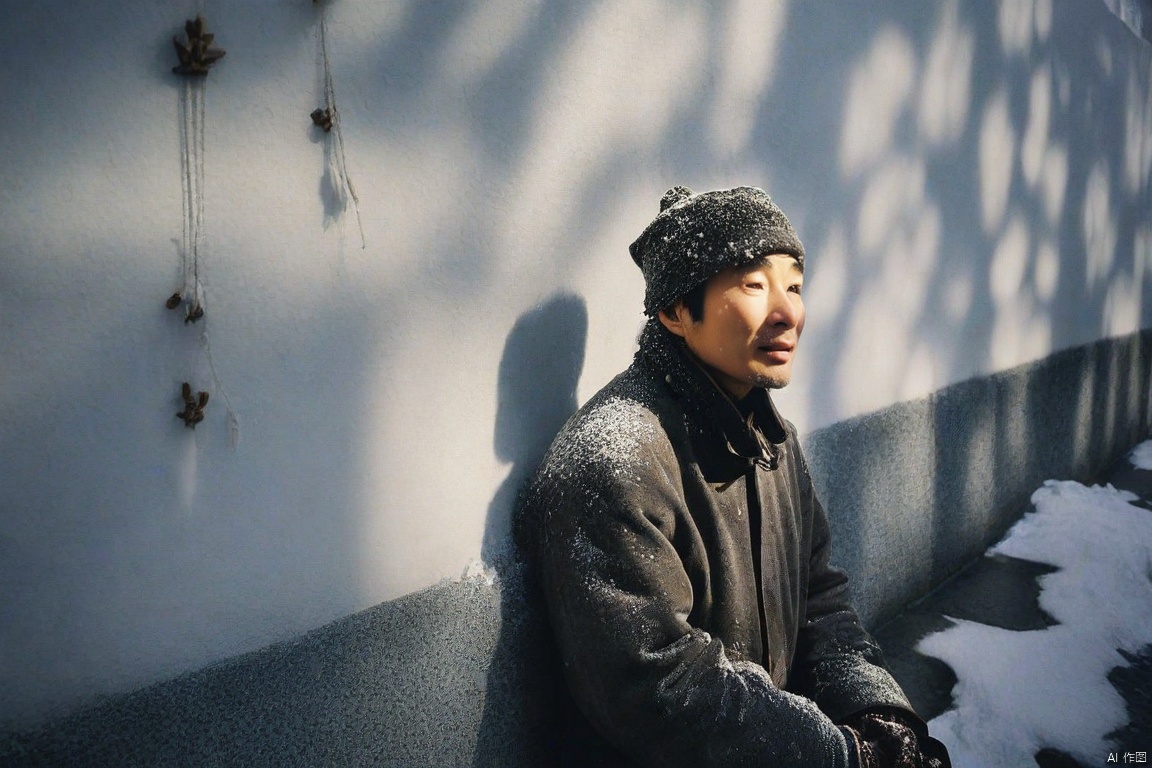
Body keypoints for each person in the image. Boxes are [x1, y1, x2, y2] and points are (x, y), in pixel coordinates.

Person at [519, 186, 951, 767]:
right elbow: (657, 687)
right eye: (754, 284)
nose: (789, 311)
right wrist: (839, 756)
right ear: (676, 311)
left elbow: (819, 600)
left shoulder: (772, 441)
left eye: (795, 286)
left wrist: (879, 715)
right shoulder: (614, 462)